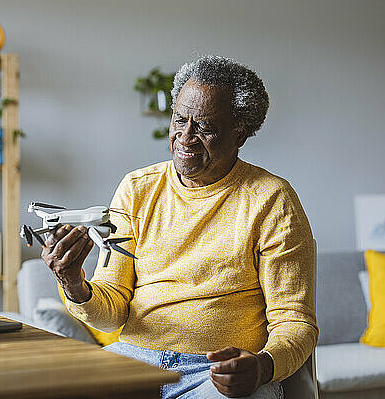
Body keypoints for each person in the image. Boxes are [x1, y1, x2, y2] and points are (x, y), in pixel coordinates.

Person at [41, 56, 317, 399]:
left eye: (204, 127)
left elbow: (295, 321)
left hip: (216, 375)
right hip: (134, 361)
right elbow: (112, 312)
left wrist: (262, 367)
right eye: (179, 120)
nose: (185, 137)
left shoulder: (271, 199)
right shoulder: (137, 188)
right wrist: (73, 283)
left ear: (240, 133)